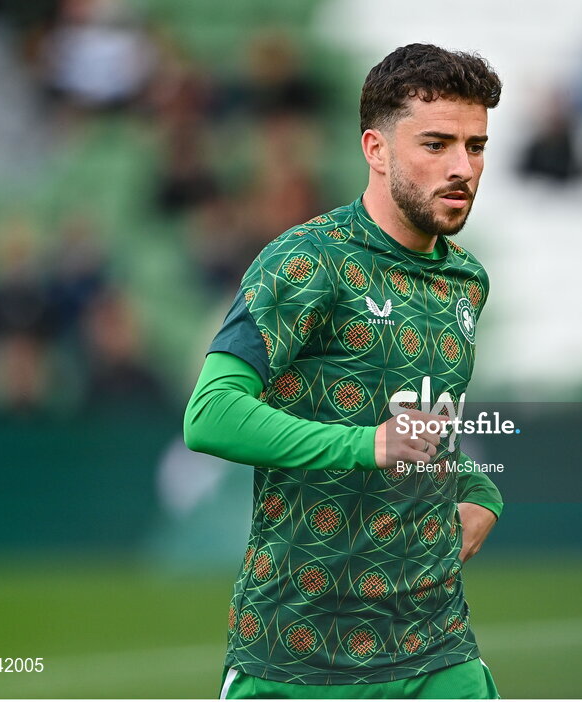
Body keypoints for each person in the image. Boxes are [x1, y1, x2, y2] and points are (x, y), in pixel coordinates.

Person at [184, 44, 504, 699]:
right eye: (437, 144)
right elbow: (210, 413)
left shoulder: (466, 282)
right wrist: (366, 446)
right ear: (376, 149)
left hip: (435, 650)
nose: (462, 167)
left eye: (475, 147)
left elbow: (423, 433)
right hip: (297, 656)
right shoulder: (306, 262)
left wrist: (479, 490)